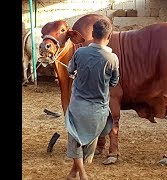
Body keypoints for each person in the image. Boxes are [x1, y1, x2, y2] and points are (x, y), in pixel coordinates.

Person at [65, 18, 119, 180]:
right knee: (89, 140)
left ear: (93, 34)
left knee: (76, 140)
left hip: (78, 106)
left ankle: (79, 173)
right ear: (108, 36)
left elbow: (70, 70)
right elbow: (114, 82)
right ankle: (79, 173)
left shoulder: (80, 52)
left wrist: (75, 74)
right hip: (98, 108)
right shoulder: (112, 59)